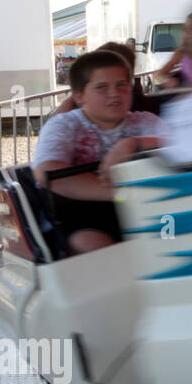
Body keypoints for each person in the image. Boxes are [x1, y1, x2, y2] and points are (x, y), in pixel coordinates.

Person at [33, 49, 167, 253]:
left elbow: (184, 146)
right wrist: (124, 194)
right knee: (94, 246)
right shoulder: (64, 125)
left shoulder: (144, 122)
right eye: (101, 87)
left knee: (175, 233)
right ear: (79, 96)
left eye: (121, 85)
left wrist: (133, 143)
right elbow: (46, 172)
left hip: (142, 207)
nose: (114, 93)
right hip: (82, 214)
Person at [154, 10, 192, 88]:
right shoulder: (181, 52)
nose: (187, 33)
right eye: (185, 29)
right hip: (187, 96)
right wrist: (166, 81)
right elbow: (157, 76)